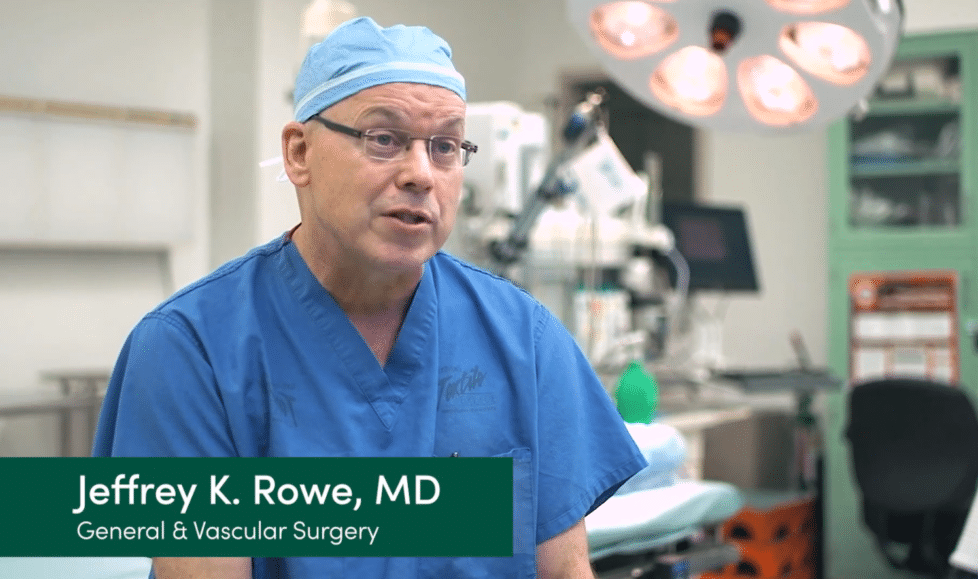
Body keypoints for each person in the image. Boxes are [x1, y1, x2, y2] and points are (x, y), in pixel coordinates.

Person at [93, 16, 646, 579]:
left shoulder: (524, 340)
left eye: (446, 146)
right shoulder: (192, 350)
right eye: (383, 139)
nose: (420, 174)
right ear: (299, 154)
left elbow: (565, 570)